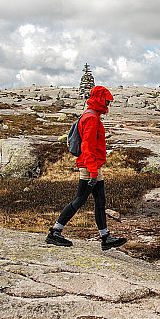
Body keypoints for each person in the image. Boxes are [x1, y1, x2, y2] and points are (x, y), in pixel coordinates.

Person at [46, 85, 126, 250]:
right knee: (80, 199)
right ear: (99, 100)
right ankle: (55, 232)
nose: (108, 106)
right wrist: (92, 172)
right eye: (107, 102)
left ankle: (105, 237)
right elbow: (87, 146)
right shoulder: (91, 118)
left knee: (100, 201)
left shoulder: (93, 116)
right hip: (89, 166)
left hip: (94, 166)